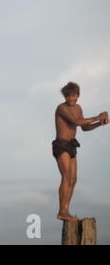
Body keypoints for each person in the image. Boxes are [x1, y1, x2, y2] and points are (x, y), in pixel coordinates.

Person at [52, 82, 108, 221]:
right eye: (68, 96)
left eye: (73, 96)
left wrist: (99, 123)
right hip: (61, 144)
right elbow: (76, 122)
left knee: (73, 179)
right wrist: (97, 116)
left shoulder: (78, 108)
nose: (70, 99)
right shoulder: (61, 108)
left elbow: (84, 127)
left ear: (78, 95)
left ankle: (66, 210)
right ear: (65, 96)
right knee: (66, 176)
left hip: (72, 145)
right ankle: (62, 211)